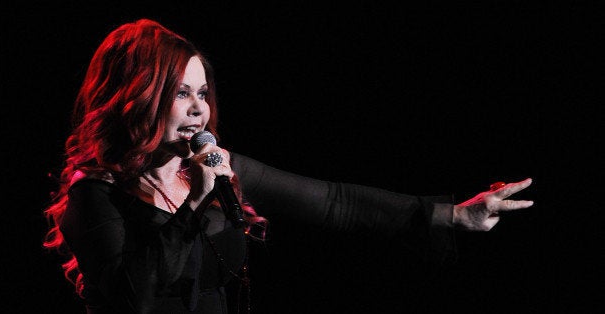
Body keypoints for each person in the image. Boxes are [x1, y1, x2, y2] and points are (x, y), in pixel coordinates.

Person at [42, 18, 534, 314]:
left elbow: (335, 202)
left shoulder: (216, 170)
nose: (199, 109)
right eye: (181, 93)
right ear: (137, 98)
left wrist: (452, 215)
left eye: (203, 93)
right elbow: (134, 300)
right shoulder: (97, 194)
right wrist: (193, 205)